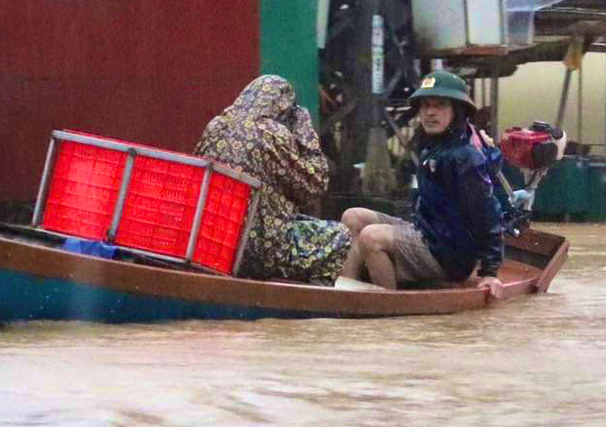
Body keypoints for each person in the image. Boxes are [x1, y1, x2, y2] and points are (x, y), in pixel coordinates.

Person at [339, 71, 507, 298]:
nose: (430, 112)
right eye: (425, 106)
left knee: (371, 237)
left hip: (449, 254)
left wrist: (490, 270)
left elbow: (488, 213)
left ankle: (387, 307)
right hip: (424, 232)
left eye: (439, 105)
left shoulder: (464, 158)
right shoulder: (433, 146)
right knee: (353, 216)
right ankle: (345, 292)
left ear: (457, 111)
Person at [195, 76, 352, 284]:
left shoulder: (216, 126)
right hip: (259, 250)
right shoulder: (272, 134)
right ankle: (312, 301)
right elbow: (316, 184)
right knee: (340, 235)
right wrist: (305, 132)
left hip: (214, 242)